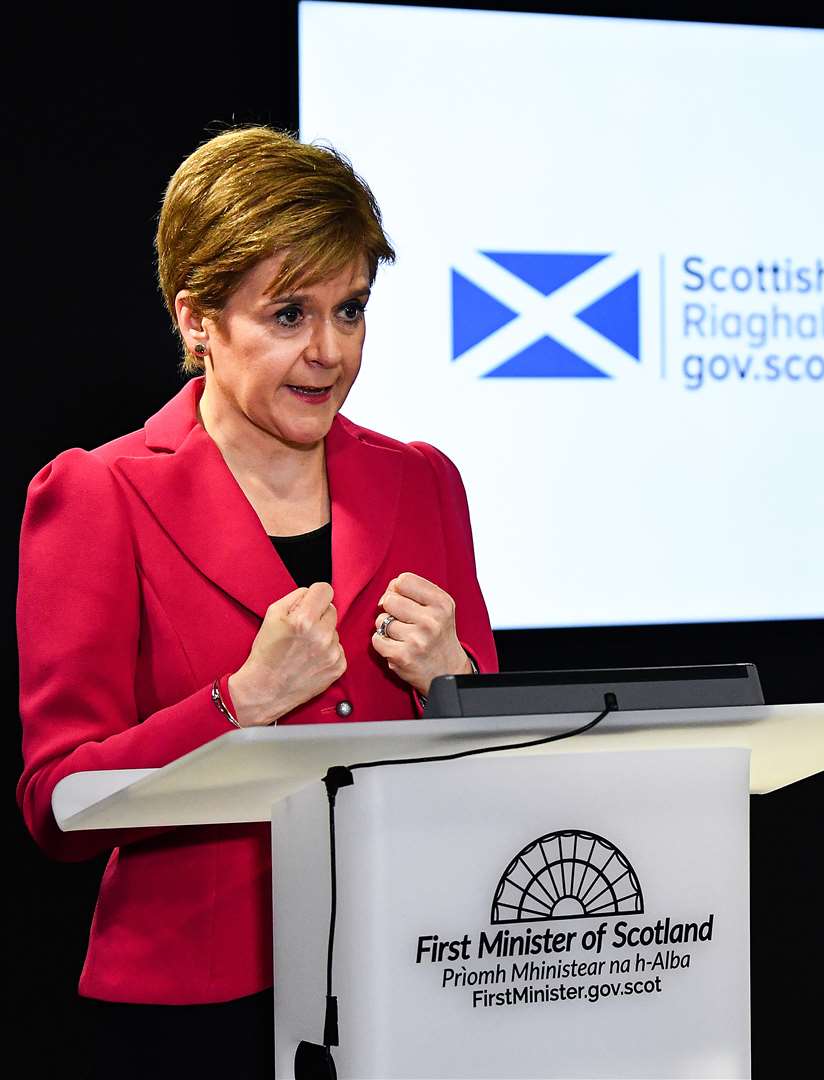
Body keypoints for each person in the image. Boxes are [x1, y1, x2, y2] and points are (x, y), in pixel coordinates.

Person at [16, 127, 498, 1078]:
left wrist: (458, 679)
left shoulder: (424, 481)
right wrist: (238, 704)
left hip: (413, 977)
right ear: (196, 319)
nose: (329, 352)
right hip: (199, 1019)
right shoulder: (97, 494)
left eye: (350, 310)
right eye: (288, 315)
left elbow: (490, 754)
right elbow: (59, 804)